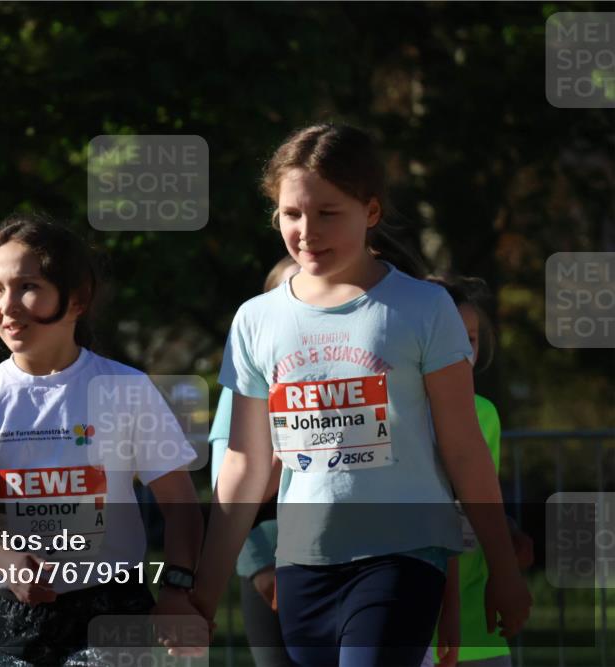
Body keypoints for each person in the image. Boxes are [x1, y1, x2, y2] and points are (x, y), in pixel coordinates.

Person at [190, 123, 532, 667]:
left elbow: (464, 449)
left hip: (402, 555)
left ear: (370, 212)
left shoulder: (423, 308)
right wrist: (202, 593)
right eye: (292, 214)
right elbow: (244, 463)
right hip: (304, 559)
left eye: (329, 213)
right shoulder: (256, 320)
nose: (307, 231)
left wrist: (504, 572)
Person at [0, 214, 204, 666]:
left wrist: (178, 589)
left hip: (113, 608)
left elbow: (181, 505)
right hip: (11, 614)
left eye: (28, 286)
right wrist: (8, 564)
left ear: (77, 298)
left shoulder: (128, 389)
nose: (8, 305)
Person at [420, 276, 535, 667]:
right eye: (449, 338)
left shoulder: (484, 413)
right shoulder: (402, 415)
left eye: (469, 340)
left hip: (477, 617)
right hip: (411, 614)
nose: (460, 352)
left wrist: (507, 533)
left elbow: (477, 498)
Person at [208, 256, 298, 667]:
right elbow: (230, 483)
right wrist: (259, 563)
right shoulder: (245, 382)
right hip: (273, 563)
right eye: (289, 293)